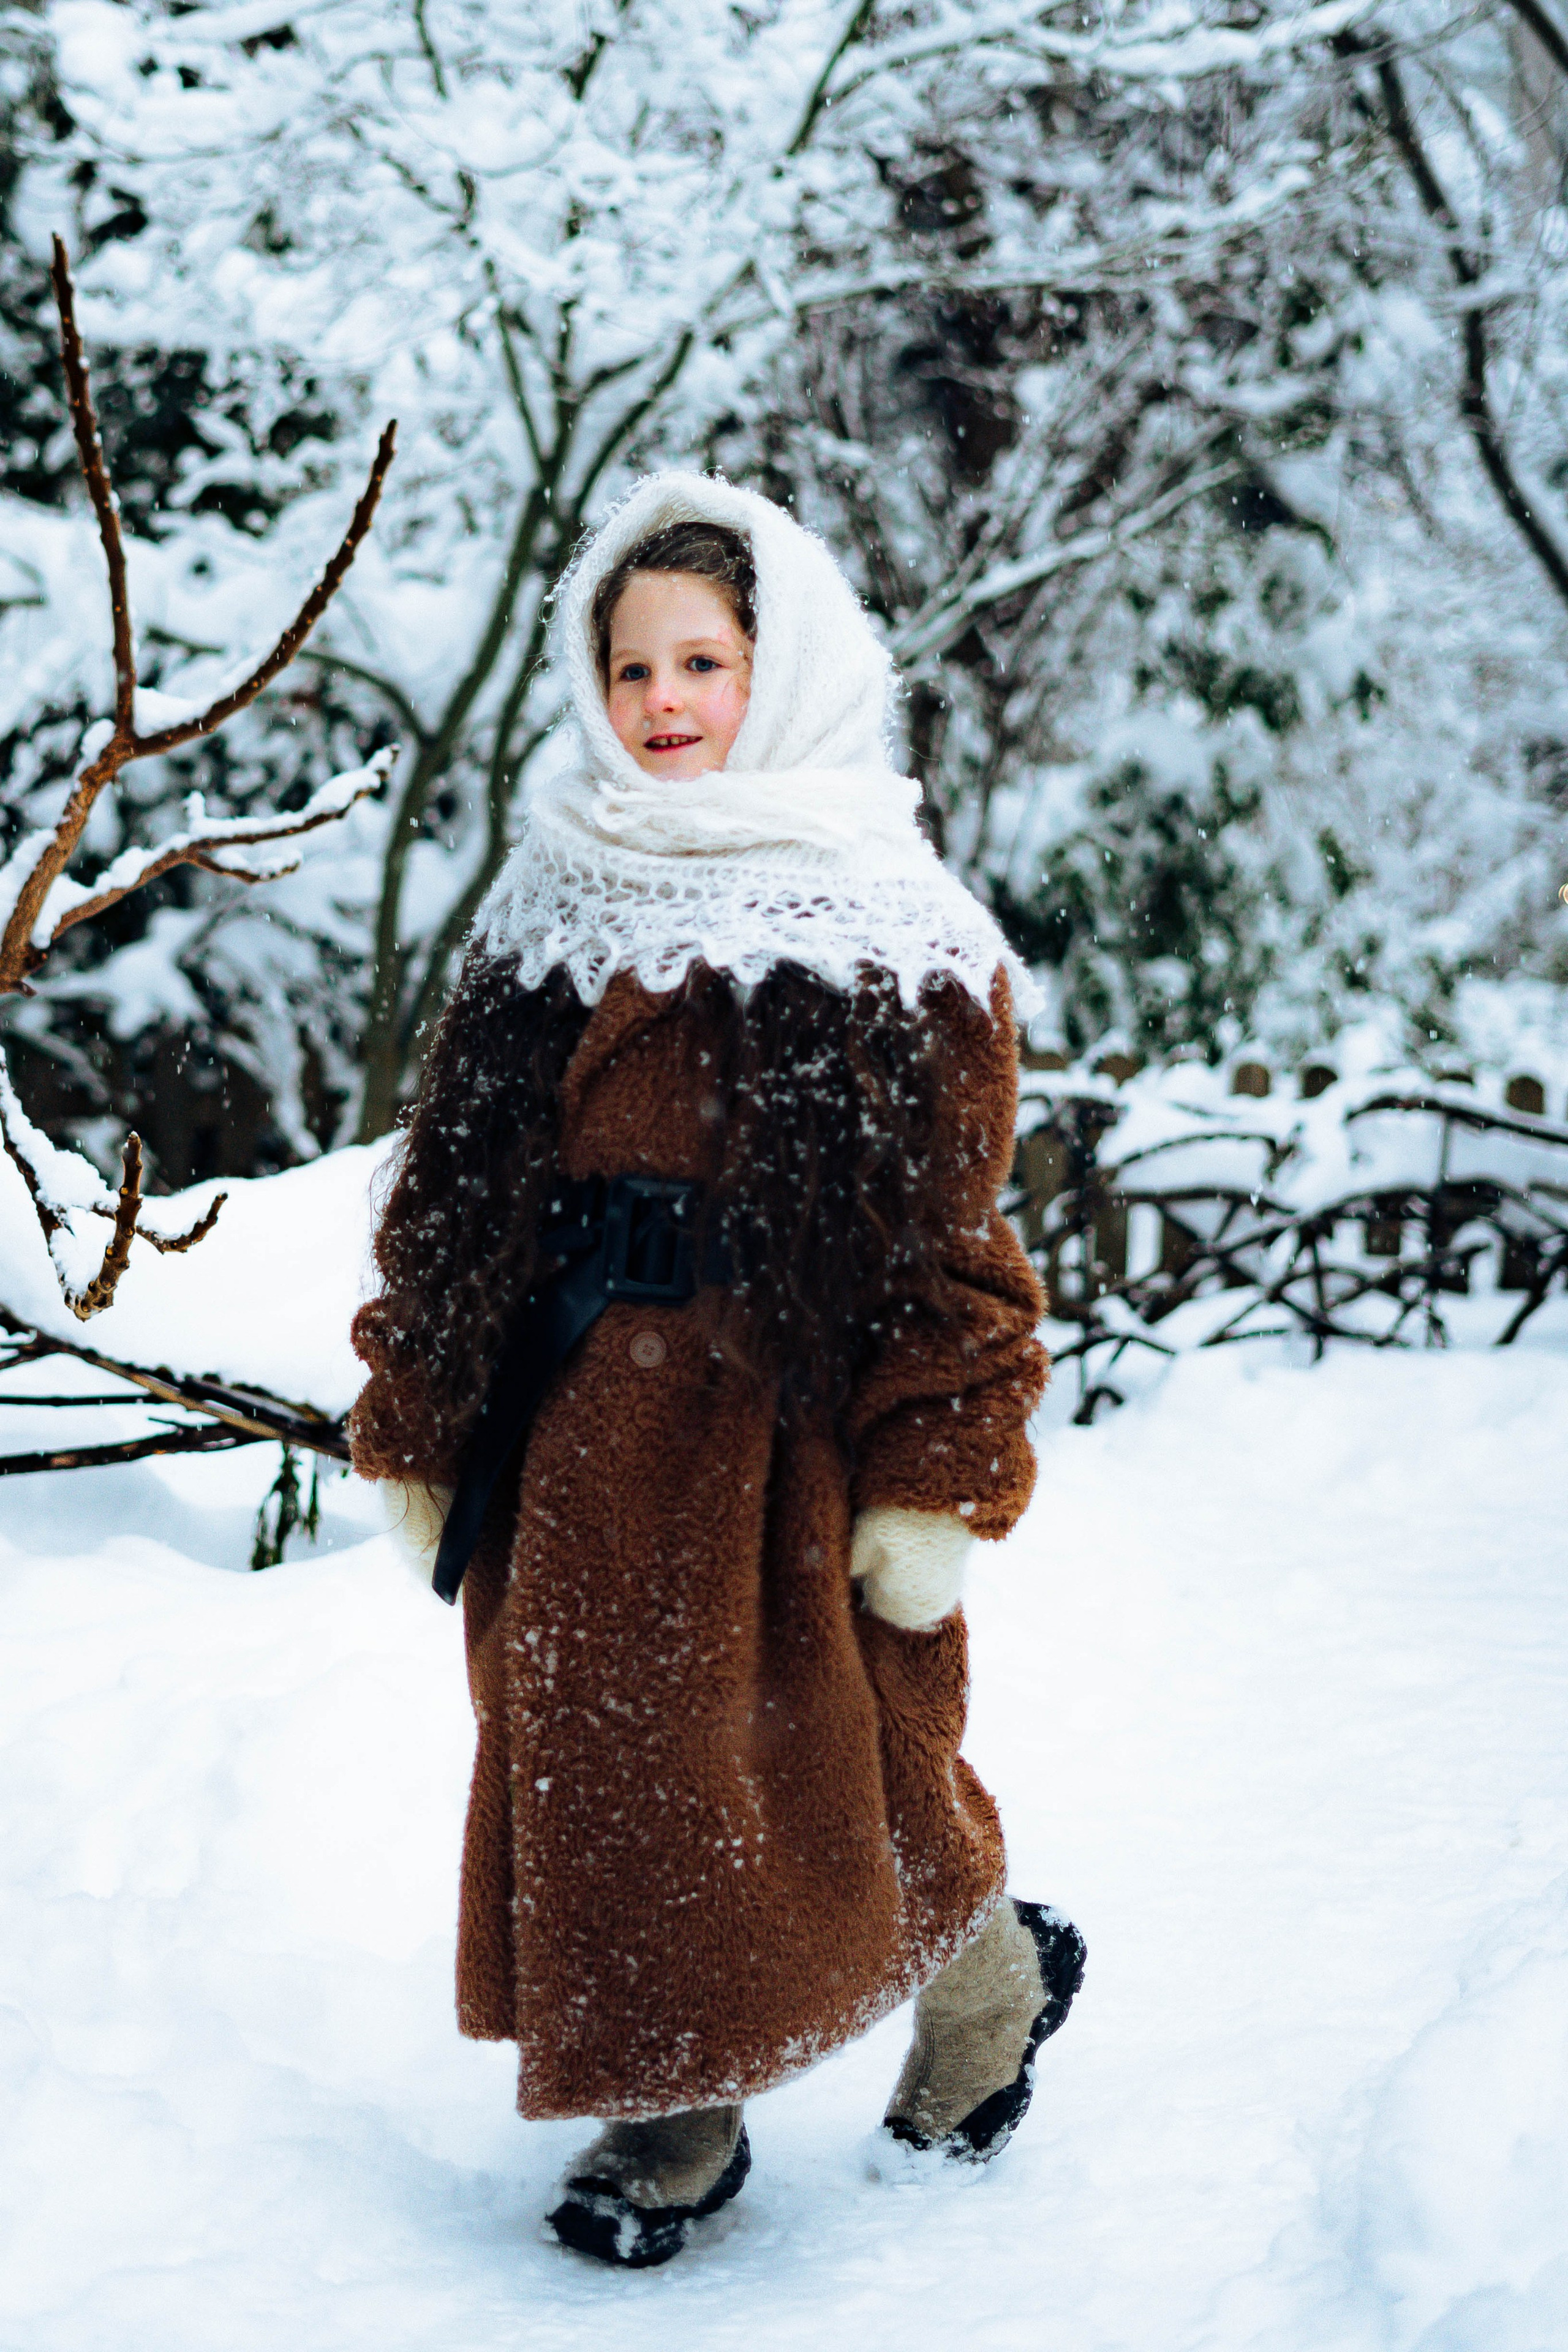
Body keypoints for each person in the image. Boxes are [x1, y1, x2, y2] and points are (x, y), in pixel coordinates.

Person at [349, 473, 1085, 2269]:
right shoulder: (551, 899)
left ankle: (980, 1980)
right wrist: (422, 1409)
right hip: (576, 1416)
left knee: (828, 1769)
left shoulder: (886, 928)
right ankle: (673, 2110)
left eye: (706, 660)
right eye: (631, 669)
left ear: (787, 665)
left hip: (788, 1430)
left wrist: (937, 1478)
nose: (664, 701)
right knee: (604, 1770)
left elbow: (950, 1246)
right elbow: (455, 1190)